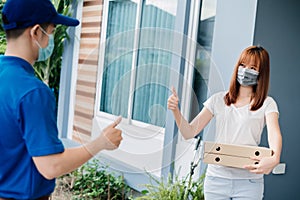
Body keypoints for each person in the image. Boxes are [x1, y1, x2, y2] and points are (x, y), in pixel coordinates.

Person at [0, 0, 123, 199]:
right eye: (52, 32)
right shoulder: (33, 92)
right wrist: (100, 143)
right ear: (36, 32)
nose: (51, 41)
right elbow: (50, 166)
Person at [168, 45, 282, 200]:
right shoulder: (218, 100)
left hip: (249, 182)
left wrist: (275, 158)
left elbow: (274, 133)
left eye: (253, 67)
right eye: (242, 65)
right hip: (216, 180)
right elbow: (188, 132)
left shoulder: (267, 104)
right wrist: (176, 110)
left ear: (262, 73)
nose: (245, 70)